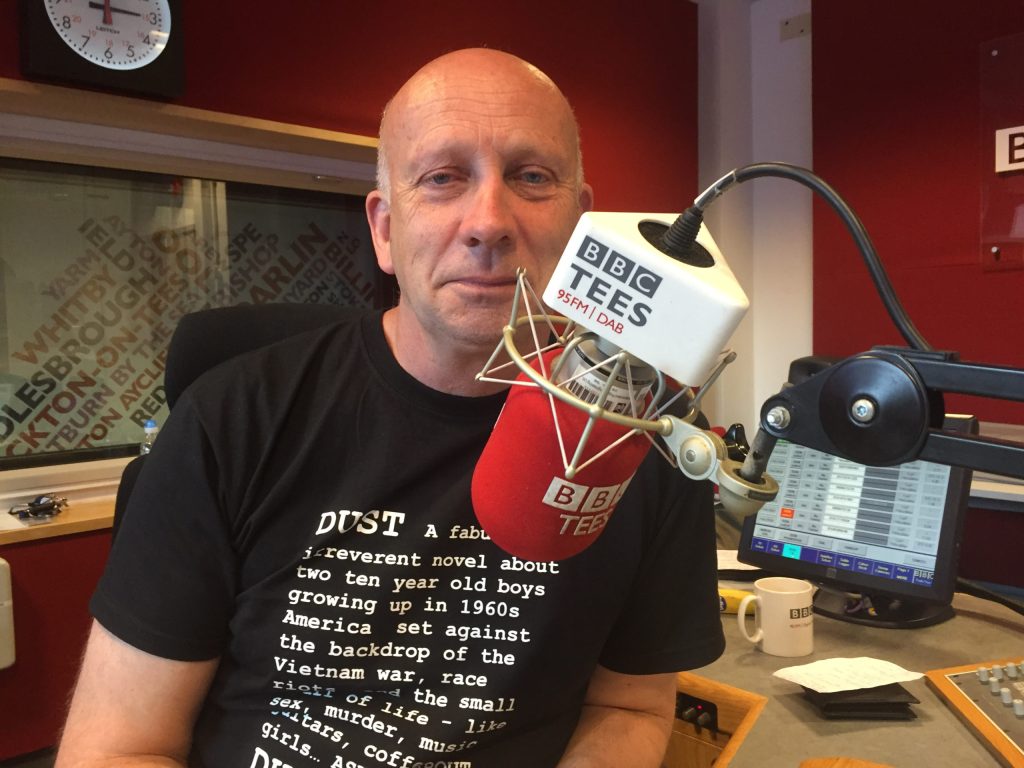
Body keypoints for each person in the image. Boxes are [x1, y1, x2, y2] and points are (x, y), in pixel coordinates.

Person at [56, 48, 725, 768]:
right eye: (442, 179)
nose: (489, 221)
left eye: (532, 178)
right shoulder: (231, 419)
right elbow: (119, 748)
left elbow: (631, 705)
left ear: (582, 225)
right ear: (383, 228)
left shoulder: (647, 436)